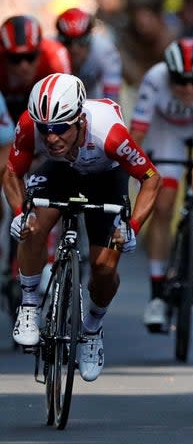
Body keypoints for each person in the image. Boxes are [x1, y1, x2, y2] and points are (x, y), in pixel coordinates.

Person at [6, 73, 160, 381]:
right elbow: (12, 173)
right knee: (33, 228)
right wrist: (21, 213)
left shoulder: (111, 135)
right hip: (61, 171)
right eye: (45, 129)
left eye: (61, 128)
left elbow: (151, 179)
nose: (51, 137)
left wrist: (133, 226)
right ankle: (29, 305)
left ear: (79, 119)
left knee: (104, 268)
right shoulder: (29, 124)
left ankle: (91, 330)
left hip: (106, 176)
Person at [129, 37, 193, 331]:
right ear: (168, 74)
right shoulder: (155, 78)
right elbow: (137, 132)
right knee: (163, 204)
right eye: (180, 82)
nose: (187, 89)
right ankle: (157, 294)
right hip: (167, 134)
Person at [0, 15, 72, 121]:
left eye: (30, 57)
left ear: (40, 52)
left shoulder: (55, 54)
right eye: (15, 58)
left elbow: (68, 100)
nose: (23, 66)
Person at [55, 8, 122, 101]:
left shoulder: (105, 51)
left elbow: (113, 99)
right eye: (67, 41)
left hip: (93, 96)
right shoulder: (49, 50)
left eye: (82, 41)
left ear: (91, 38)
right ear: (58, 39)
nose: (75, 49)